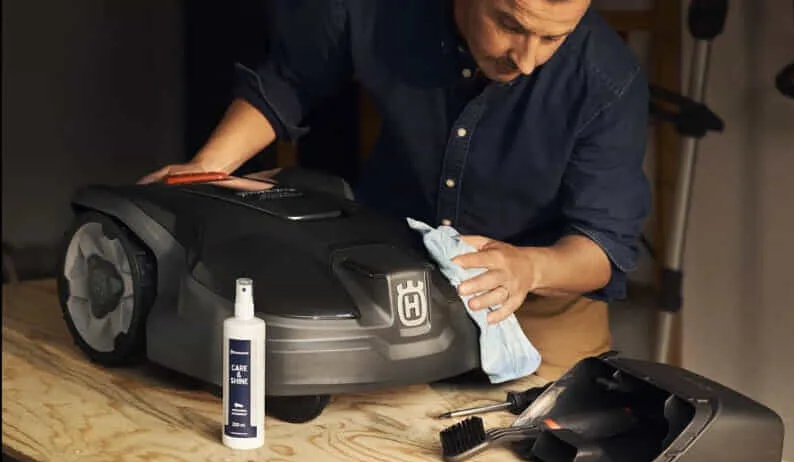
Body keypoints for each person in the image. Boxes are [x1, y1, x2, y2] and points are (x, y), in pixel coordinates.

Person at [140, 0, 651, 380]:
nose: (529, 59)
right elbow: (291, 80)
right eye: (512, 25)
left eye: (553, 38)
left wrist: (528, 268)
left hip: (534, 306)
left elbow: (603, 243)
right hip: (386, 274)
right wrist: (207, 169)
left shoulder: (608, 78)